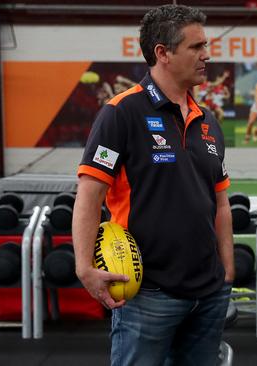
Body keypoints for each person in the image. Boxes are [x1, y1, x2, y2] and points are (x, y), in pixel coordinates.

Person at [72, 5, 234, 366]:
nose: (206, 55)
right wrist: (84, 267)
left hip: (209, 294)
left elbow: (220, 201)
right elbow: (89, 193)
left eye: (205, 45)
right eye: (196, 47)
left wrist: (226, 273)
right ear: (162, 53)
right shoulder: (121, 113)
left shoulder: (207, 119)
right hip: (148, 296)